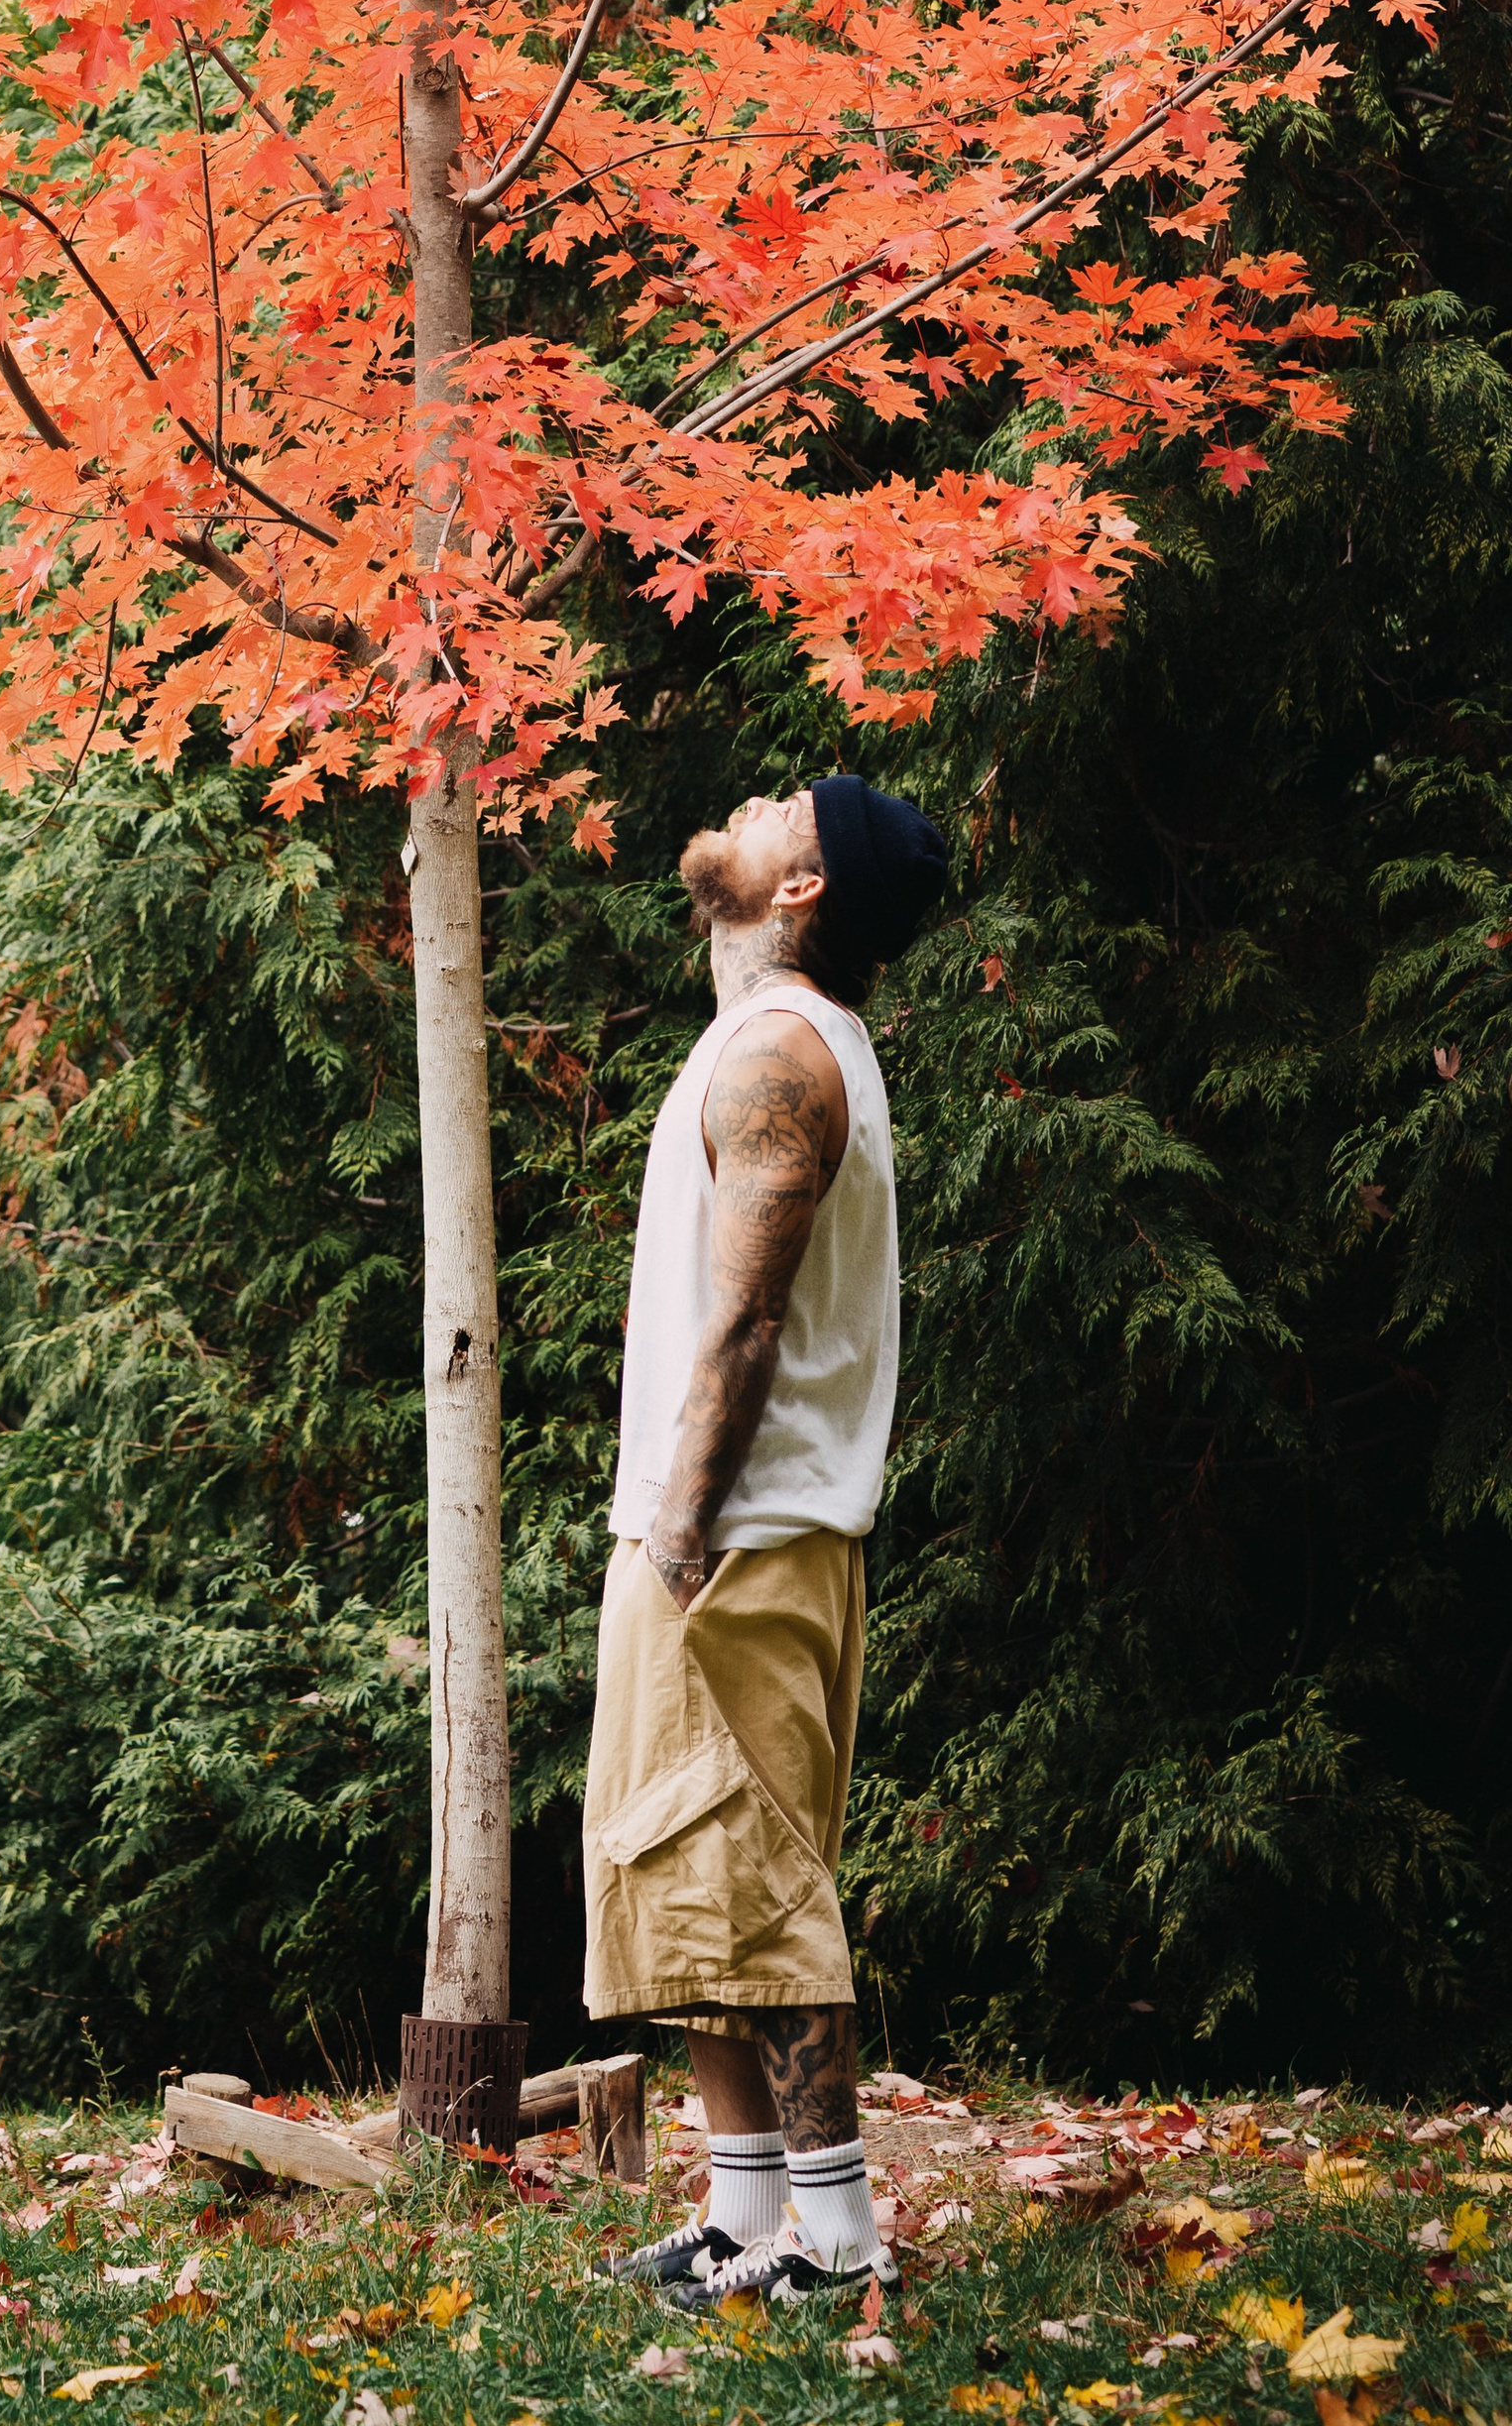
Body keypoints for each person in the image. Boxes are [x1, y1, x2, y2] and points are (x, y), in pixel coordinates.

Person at [585, 773, 947, 2309]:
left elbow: (744, 1320)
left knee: (766, 1893)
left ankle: (843, 2243)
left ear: (804, 885)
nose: (749, 798)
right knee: (690, 1882)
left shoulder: (786, 1056)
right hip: (708, 1526)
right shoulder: (765, 1041)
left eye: (784, 804)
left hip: (737, 1535)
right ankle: (741, 2221)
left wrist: (679, 1528)